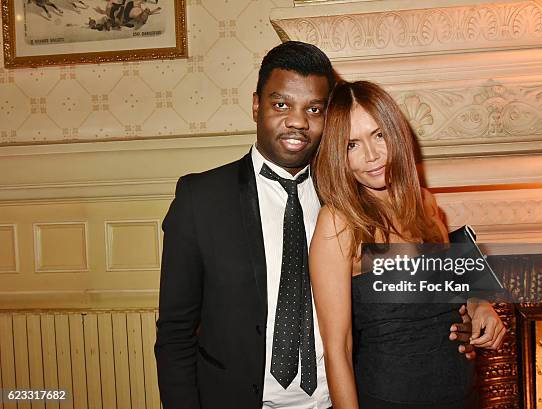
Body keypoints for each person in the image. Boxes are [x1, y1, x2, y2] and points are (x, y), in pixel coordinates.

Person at [155, 42, 476, 409]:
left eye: (314, 109)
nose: (297, 121)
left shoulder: (350, 193)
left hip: (337, 398)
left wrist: (477, 300)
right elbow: (175, 335)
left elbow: (421, 251)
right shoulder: (202, 199)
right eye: (281, 105)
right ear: (256, 104)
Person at [310, 81, 507, 409]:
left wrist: (479, 305)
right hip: (391, 398)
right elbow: (338, 350)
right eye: (351, 145)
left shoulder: (427, 205)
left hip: (463, 393)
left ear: (395, 133)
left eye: (378, 135)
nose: (371, 156)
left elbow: (451, 290)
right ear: (337, 155)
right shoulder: (338, 222)